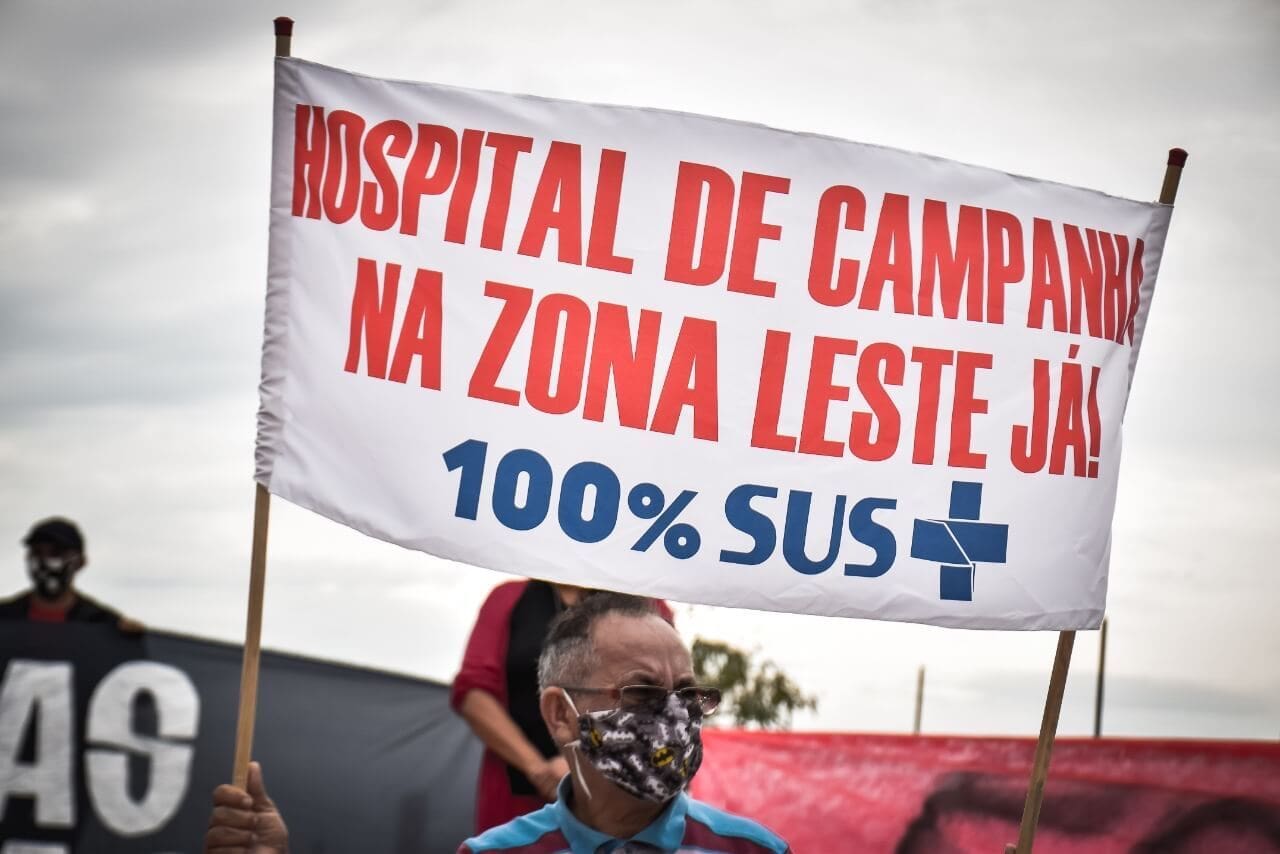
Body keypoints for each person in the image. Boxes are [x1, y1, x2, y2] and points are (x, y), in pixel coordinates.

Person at [202, 593, 790, 854]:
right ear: (561, 714)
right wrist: (537, 764)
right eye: (640, 693)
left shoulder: (752, 851)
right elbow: (474, 690)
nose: (671, 718)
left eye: (688, 696)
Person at [451, 579, 672, 833]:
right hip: (519, 805)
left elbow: (664, 696)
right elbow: (474, 691)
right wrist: (537, 768)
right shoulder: (507, 598)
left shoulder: (644, 604)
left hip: (617, 804)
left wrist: (585, 762)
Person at [0, 516, 139, 630]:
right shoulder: (5, 618)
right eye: (37, 553)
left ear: (80, 562)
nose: (43, 562)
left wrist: (132, 642)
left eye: (55, 554)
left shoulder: (102, 624)